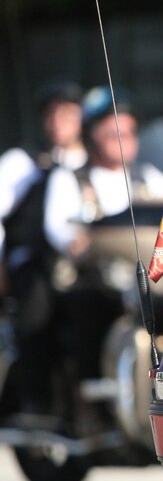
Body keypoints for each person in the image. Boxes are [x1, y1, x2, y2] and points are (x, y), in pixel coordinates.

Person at [41, 86, 163, 381]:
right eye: (114, 135)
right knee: (88, 306)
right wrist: (78, 243)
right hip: (98, 280)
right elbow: (58, 228)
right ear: (92, 136)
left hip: (149, 282)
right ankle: (94, 394)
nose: (123, 142)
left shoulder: (146, 176)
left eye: (129, 134)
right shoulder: (71, 178)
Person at [0, 81, 87, 411]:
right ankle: (35, 398)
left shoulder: (93, 164)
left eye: (66, 114)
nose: (58, 123)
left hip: (82, 264)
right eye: (51, 115)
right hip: (34, 263)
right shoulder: (23, 163)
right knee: (38, 303)